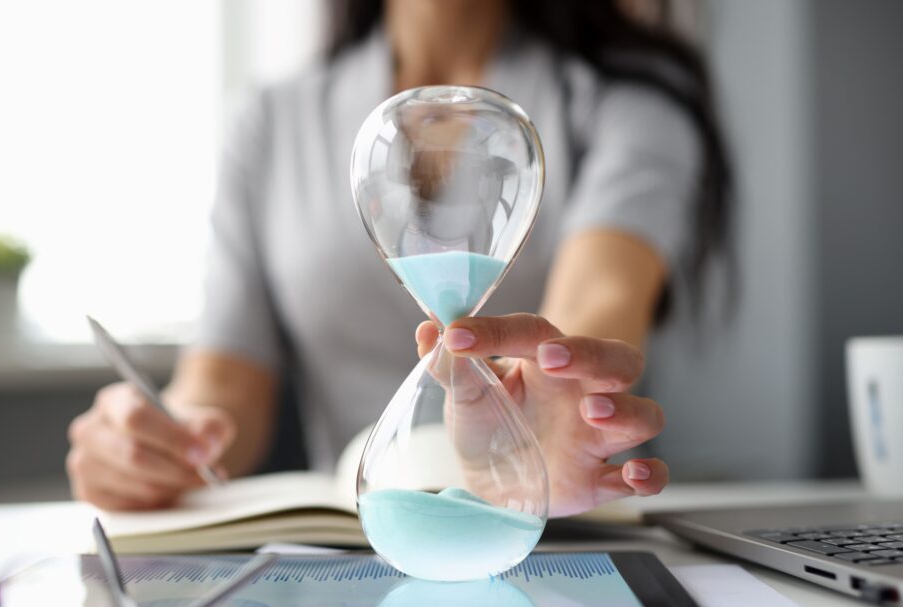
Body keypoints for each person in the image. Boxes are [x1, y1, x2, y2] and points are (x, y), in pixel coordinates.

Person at [66, 0, 731, 515]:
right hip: (349, 532)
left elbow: (600, 296)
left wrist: (555, 392)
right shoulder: (271, 120)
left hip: (555, 516)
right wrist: (159, 443)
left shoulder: (624, 98)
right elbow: (224, 388)